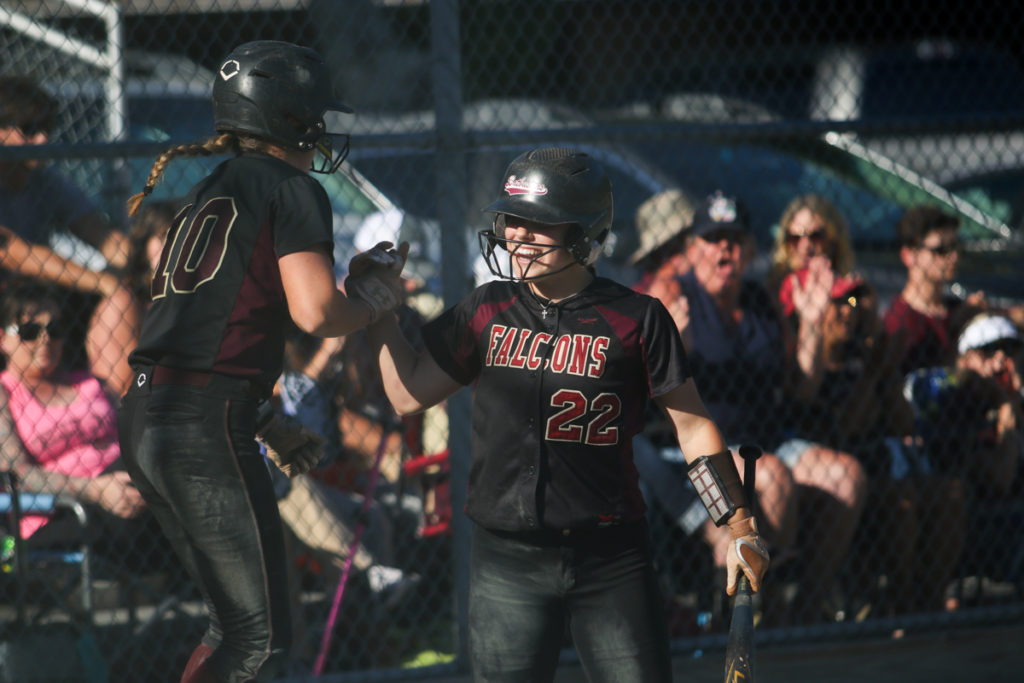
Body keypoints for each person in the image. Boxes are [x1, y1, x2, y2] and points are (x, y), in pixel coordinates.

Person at [361, 147, 770, 682]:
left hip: (610, 558)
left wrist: (735, 522)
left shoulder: (638, 318)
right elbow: (408, 393)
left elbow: (692, 427)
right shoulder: (486, 307)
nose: (518, 236)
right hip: (505, 557)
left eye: (539, 225)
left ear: (584, 233)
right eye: (512, 220)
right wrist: (380, 313)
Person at [116, 41, 408, 683]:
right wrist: (374, 295)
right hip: (199, 426)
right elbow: (317, 315)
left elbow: (205, 333)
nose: (322, 131)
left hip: (147, 415)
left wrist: (269, 422)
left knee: (238, 627)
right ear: (291, 120)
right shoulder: (289, 186)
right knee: (260, 635)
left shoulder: (211, 189)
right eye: (314, 118)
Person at [672, 191, 867, 625]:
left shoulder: (760, 302)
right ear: (691, 250)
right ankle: (765, 610)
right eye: (713, 238)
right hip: (704, 454)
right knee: (773, 475)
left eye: (735, 239)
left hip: (768, 440)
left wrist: (813, 324)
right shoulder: (677, 298)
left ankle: (806, 606)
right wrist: (675, 349)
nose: (726, 248)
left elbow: (802, 388)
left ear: (752, 250)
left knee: (846, 477)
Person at [793, 272, 966, 616]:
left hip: (879, 463)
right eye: (837, 303)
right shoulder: (812, 366)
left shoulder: (864, 354)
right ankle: (903, 603)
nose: (846, 312)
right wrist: (872, 375)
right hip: (834, 474)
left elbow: (903, 425)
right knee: (901, 500)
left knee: (950, 493)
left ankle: (928, 600)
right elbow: (845, 430)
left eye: (854, 303)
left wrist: (886, 371)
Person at [0, 76, 141, 398]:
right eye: (29, 129)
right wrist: (103, 282)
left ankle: (115, 417)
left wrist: (148, 265)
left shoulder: (44, 179)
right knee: (108, 289)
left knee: (124, 296)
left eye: (47, 127)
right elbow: (15, 253)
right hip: (10, 304)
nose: (43, 138)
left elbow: (101, 235)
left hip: (43, 301)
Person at [0, 279, 150, 561]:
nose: (45, 339)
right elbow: (15, 475)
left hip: (131, 482)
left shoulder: (87, 382)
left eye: (53, 329)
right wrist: (97, 490)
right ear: (2, 339)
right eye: (30, 331)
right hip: (63, 511)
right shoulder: (5, 392)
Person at [883, 204, 984, 375]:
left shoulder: (957, 308)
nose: (954, 256)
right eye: (942, 250)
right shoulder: (899, 321)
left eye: (955, 246)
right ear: (909, 255)